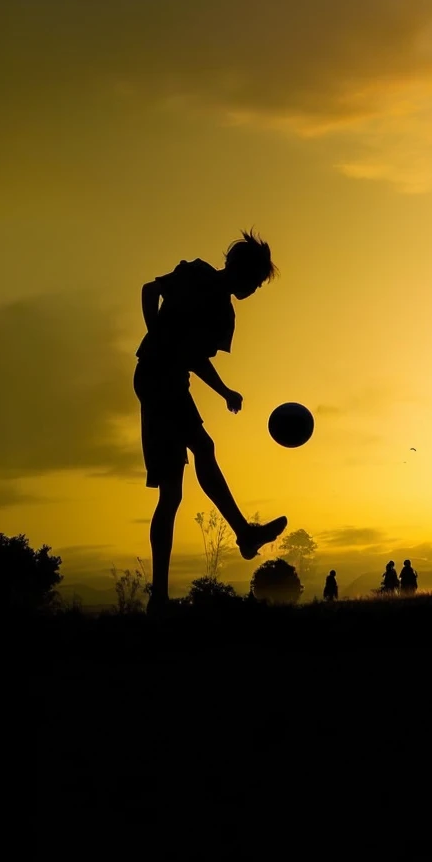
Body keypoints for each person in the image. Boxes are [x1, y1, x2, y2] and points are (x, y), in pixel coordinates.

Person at [134, 230, 287, 613]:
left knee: (172, 493)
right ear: (239, 271)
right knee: (200, 451)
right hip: (155, 378)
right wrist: (156, 336)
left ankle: (160, 598)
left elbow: (192, 357)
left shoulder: (224, 317)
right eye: (254, 281)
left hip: (171, 380)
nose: (254, 289)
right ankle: (244, 535)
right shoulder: (196, 274)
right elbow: (149, 291)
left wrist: (224, 392)